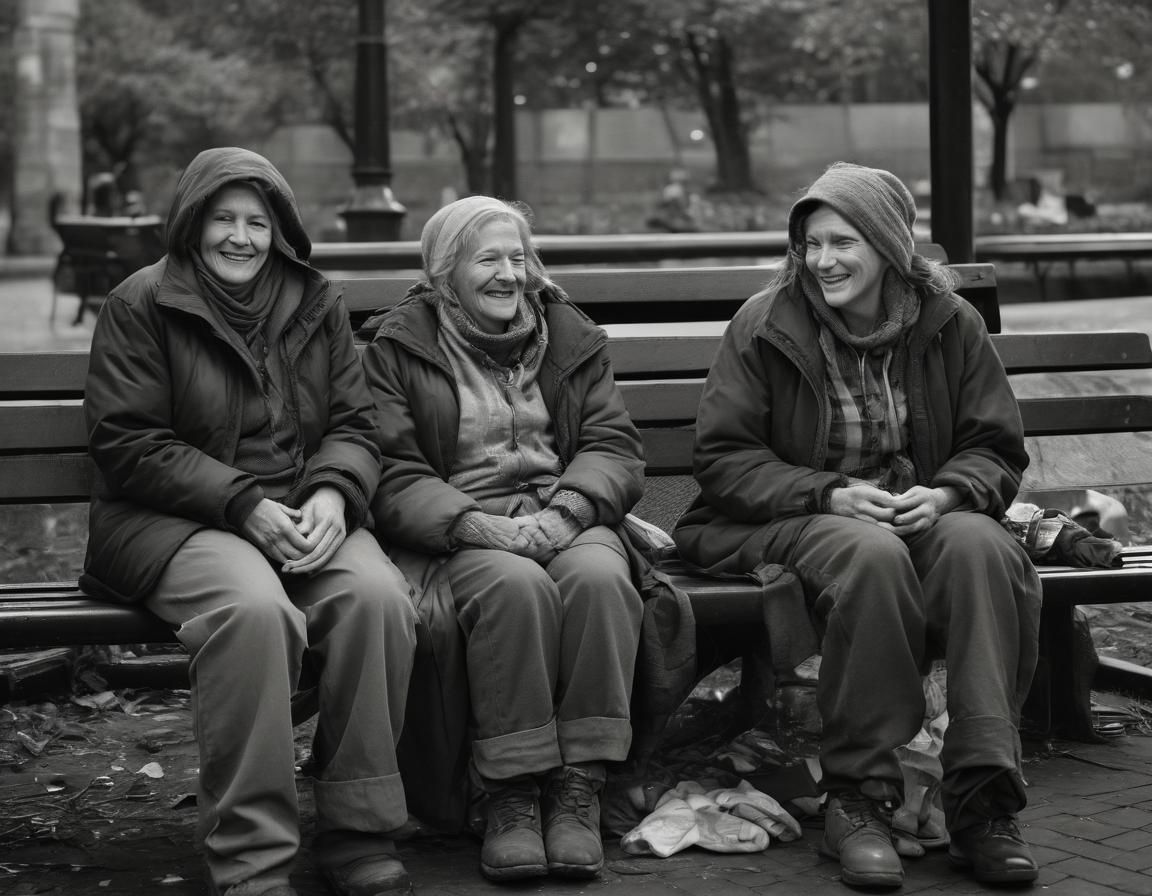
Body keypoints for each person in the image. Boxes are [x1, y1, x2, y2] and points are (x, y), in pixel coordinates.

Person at [673, 162, 1042, 888]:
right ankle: (859, 797)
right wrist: (829, 493)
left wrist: (944, 497)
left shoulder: (949, 324)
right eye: (811, 244)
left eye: (843, 242)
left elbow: (993, 447)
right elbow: (723, 458)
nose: (823, 261)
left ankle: (982, 797)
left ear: (886, 246)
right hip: (792, 517)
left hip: (917, 512)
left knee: (980, 548)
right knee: (870, 553)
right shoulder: (766, 322)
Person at [81, 147, 418, 896]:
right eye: (223, 219)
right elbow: (129, 443)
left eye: (257, 223)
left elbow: (357, 425)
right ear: (193, 224)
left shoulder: (315, 299)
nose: (240, 237)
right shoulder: (143, 302)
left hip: (300, 507)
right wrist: (243, 505)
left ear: (280, 230)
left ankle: (358, 829)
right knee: (256, 612)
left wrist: (333, 493)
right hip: (171, 520)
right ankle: (254, 859)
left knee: (379, 600)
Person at [360, 195, 646, 883]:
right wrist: (475, 524)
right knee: (515, 588)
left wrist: (570, 511)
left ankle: (578, 786)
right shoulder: (399, 345)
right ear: (444, 271)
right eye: (488, 258)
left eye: (518, 257)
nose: (509, 274)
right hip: (462, 524)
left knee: (602, 580)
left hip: (563, 509)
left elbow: (612, 443)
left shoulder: (569, 334)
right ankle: (511, 791)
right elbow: (391, 470)